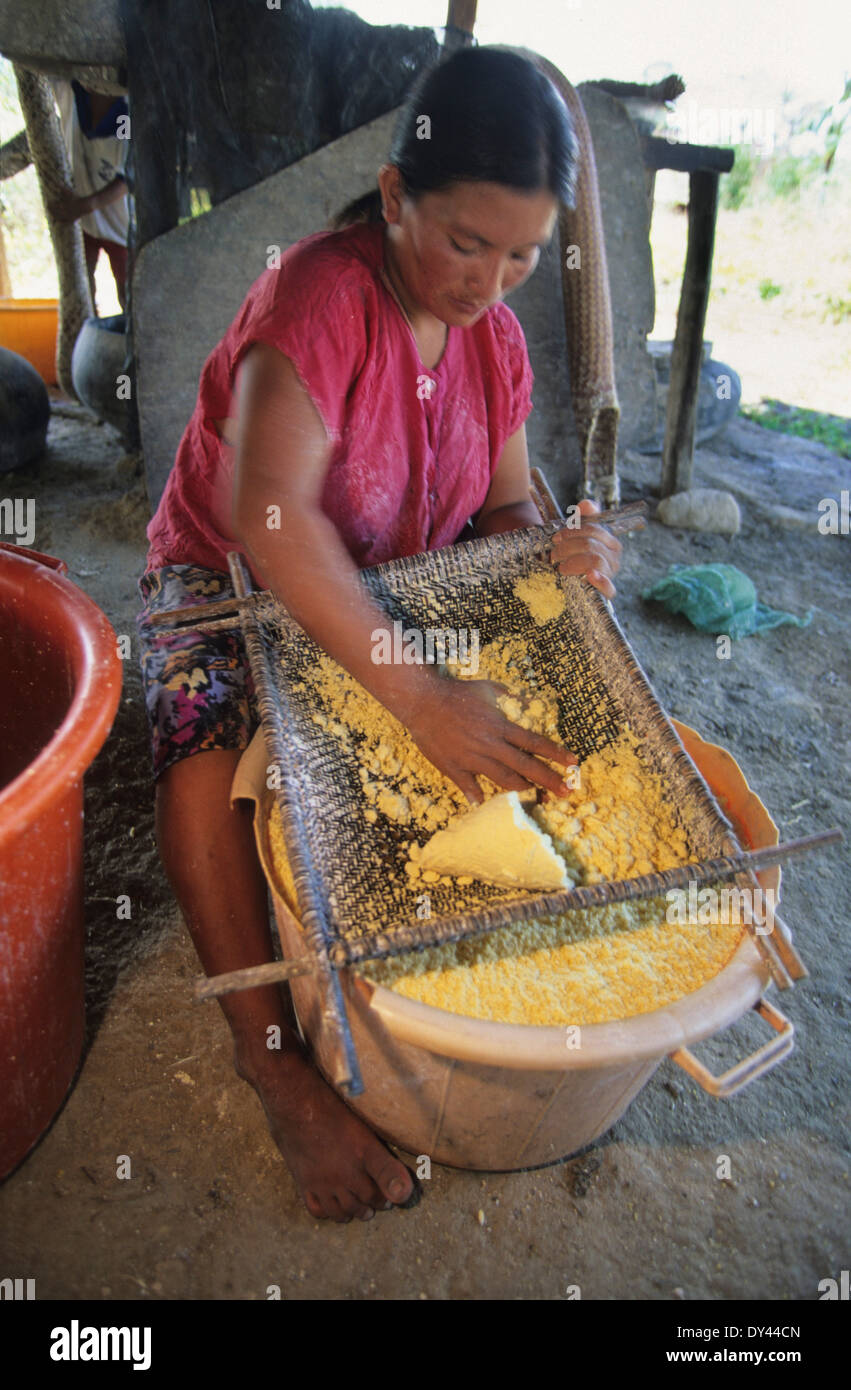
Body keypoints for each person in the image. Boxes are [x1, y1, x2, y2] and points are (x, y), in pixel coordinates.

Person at [136, 46, 622, 1224]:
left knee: (551, 687)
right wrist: (420, 693)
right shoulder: (318, 299)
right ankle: (274, 1067)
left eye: (518, 253)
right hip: (232, 576)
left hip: (392, 580)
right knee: (208, 754)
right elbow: (269, 519)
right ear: (397, 197)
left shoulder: (492, 342)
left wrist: (559, 545)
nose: (489, 281)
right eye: (465, 242)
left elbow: (504, 503)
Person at [49, 79, 130, 311]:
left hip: (119, 224)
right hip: (82, 221)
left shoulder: (125, 113)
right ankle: (90, 332)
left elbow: (128, 176)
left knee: (127, 294)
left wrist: (84, 205)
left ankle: (123, 341)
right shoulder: (70, 92)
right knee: (82, 287)